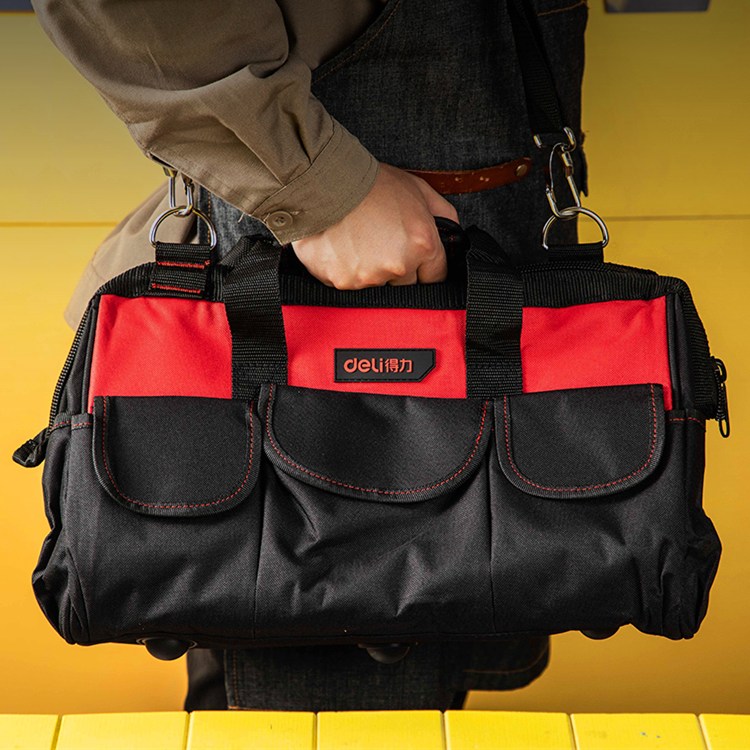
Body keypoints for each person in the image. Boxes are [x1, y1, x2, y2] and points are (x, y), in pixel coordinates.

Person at [32, 0, 589, 711]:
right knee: (312, 688)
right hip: (316, 250)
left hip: (481, 289)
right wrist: (322, 189)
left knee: (414, 677)